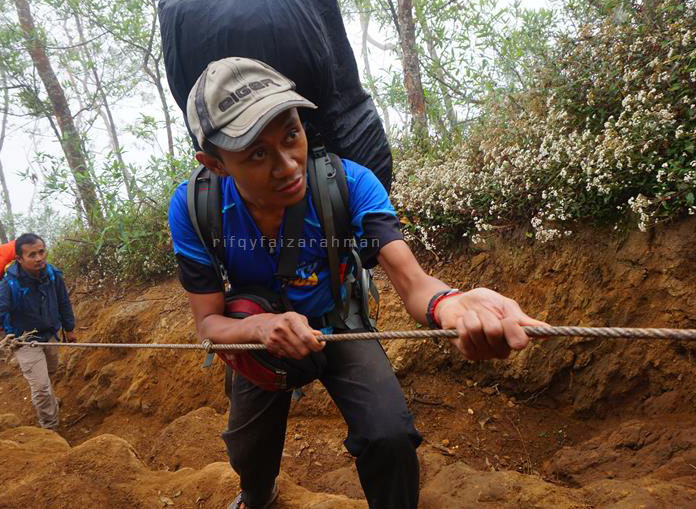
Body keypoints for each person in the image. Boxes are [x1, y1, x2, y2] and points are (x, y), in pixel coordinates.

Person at [167, 57, 546, 509]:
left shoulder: (347, 183)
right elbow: (209, 324)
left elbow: (413, 282)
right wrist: (262, 328)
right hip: (259, 335)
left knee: (389, 435)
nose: (288, 165)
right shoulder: (195, 207)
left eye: (291, 134)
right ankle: (258, 493)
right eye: (257, 153)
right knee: (249, 450)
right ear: (214, 163)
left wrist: (451, 304)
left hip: (339, 322)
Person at [0, 233, 75, 431]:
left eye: (41, 252)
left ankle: (48, 400)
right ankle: (50, 429)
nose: (39, 258)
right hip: (24, 340)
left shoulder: (53, 275)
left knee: (51, 372)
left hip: (49, 334)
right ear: (19, 259)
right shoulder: (9, 284)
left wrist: (69, 328)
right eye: (32, 255)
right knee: (40, 387)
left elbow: (63, 302)